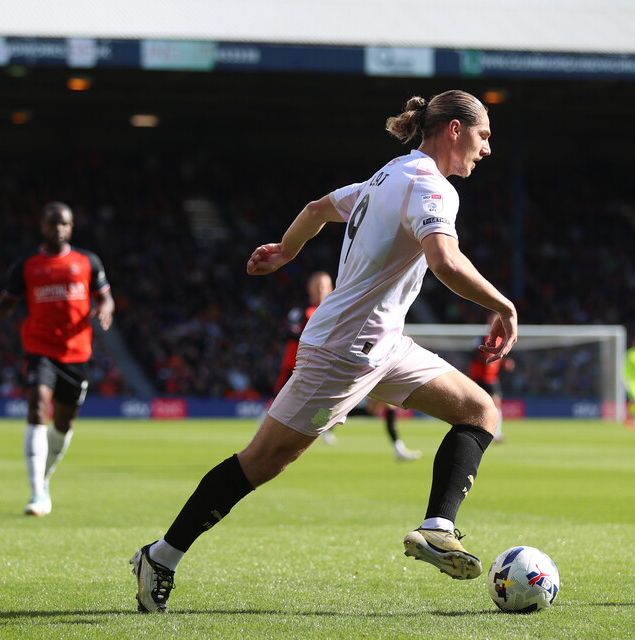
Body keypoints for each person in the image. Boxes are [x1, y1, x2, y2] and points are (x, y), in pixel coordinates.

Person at [130, 90, 518, 613]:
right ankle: (160, 557)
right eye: (483, 135)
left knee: (479, 410)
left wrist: (286, 250)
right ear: (454, 129)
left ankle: (437, 527)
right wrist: (503, 306)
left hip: (383, 344)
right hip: (344, 350)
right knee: (264, 460)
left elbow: (318, 209)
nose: (487, 148)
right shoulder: (431, 187)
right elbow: (444, 261)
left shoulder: (387, 176)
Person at [0, 201, 114, 517]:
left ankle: (44, 479)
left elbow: (106, 298)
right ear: (42, 226)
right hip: (40, 349)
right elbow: (7, 304)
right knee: (37, 406)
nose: (58, 228)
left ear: (71, 227)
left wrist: (105, 310)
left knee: (64, 424)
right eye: (53, 223)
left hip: (76, 353)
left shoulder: (88, 261)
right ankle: (37, 492)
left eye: (64, 223)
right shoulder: (27, 266)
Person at [274, 271, 420, 459]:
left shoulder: (340, 309)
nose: (321, 289)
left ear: (331, 287)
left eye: (324, 286)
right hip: (299, 365)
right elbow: (286, 332)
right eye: (317, 285)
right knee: (288, 405)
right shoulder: (303, 311)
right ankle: (279, 435)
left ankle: (396, 447)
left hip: (341, 363)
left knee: (371, 405)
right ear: (309, 288)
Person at [467, 318, 516, 443]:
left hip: (492, 378)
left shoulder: (501, 340)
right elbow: (472, 354)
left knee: (496, 404)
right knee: (476, 404)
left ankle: (496, 434)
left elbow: (500, 358)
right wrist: (484, 360)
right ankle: (473, 431)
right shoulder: (480, 338)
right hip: (478, 377)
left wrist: (505, 363)